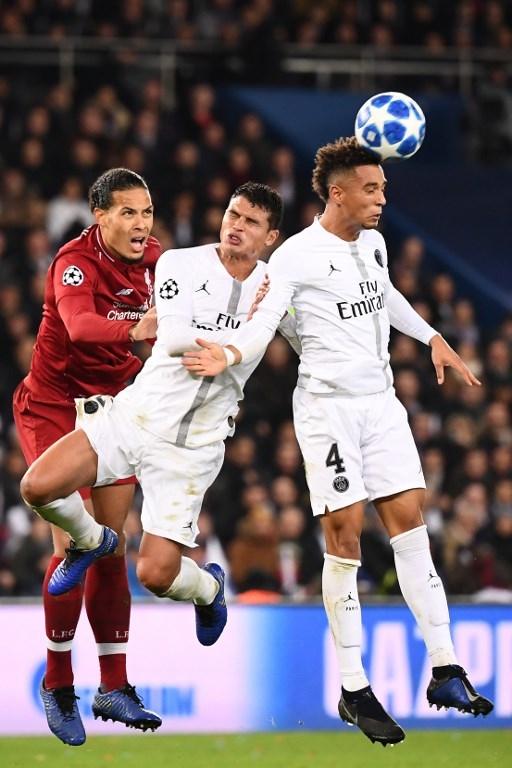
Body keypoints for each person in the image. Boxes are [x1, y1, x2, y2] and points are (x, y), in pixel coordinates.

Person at [180, 138, 494, 746]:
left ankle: (446, 667)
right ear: (338, 193)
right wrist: (228, 353)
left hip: (381, 405)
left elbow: (388, 294)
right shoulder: (294, 259)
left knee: (410, 525)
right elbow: (263, 325)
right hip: (327, 411)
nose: (383, 197)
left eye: (383, 187)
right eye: (372, 189)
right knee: (345, 534)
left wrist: (430, 336)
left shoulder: (372, 244)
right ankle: (354, 687)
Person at [19, 181, 292, 694]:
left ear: (270, 237)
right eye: (232, 213)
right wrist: (229, 342)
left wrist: (231, 354)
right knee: (37, 488)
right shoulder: (178, 263)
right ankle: (89, 544)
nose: (236, 225)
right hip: (133, 414)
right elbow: (169, 335)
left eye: (251, 222)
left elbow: (258, 337)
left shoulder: (275, 286)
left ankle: (208, 588)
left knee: (156, 574)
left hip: (192, 447)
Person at [13, 168, 162, 746]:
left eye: (146, 213)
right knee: (75, 541)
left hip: (115, 412)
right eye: (127, 212)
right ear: (99, 215)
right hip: (54, 406)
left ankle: (115, 685)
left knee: (111, 546)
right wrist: (139, 329)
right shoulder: (73, 262)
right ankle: (57, 681)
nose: (140, 224)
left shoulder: (158, 262)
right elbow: (77, 326)